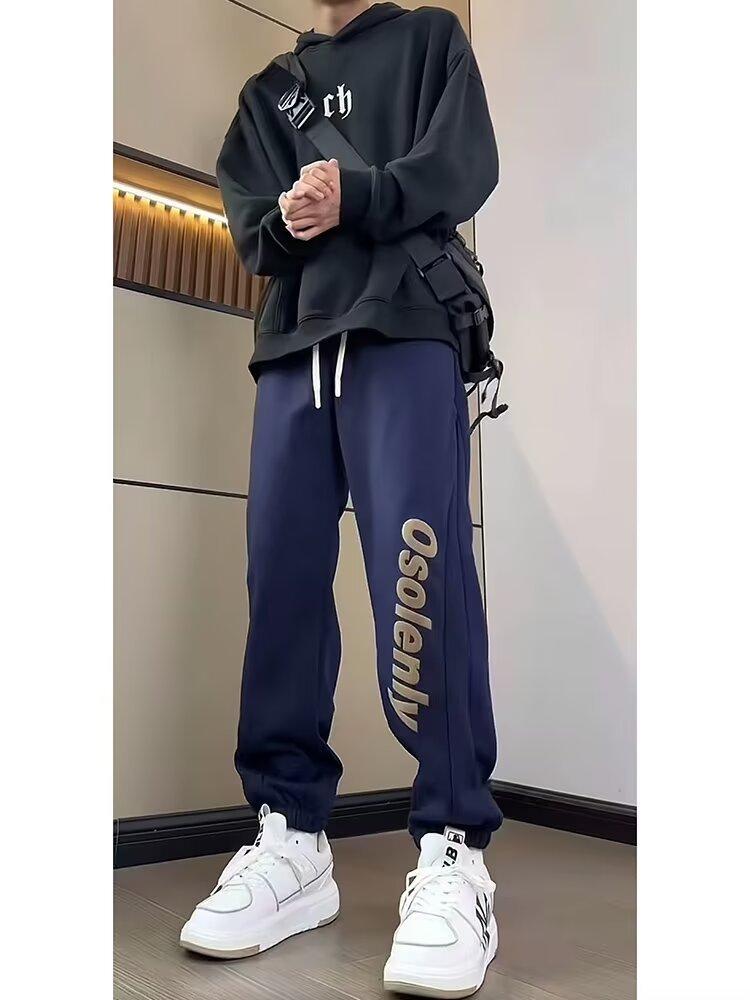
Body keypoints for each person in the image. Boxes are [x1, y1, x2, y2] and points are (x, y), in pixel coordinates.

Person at [180, 2, 502, 995]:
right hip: (293, 347)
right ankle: (292, 836)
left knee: (419, 577)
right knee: (279, 584)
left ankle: (454, 845)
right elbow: (251, 226)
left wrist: (358, 193)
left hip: (404, 331)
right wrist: (289, 216)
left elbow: (464, 165)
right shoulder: (265, 96)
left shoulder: (430, 40)